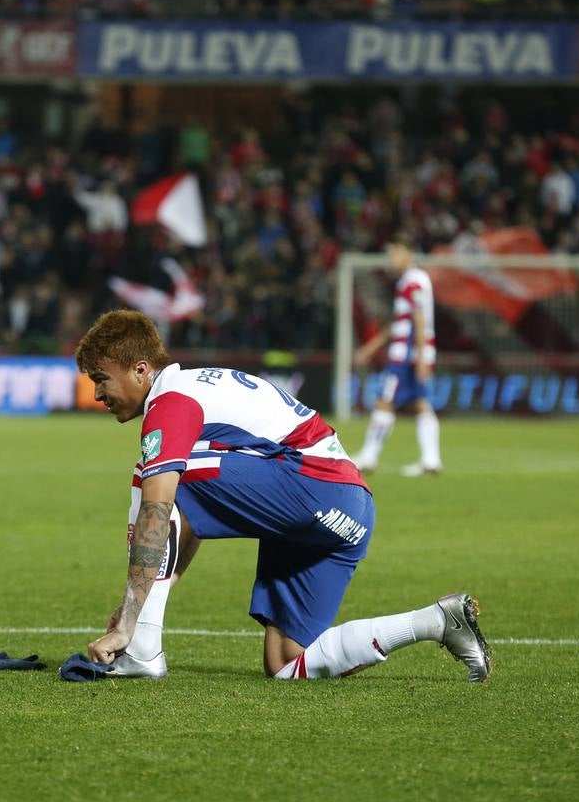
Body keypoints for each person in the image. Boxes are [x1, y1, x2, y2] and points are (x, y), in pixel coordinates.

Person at [74, 309, 490, 682]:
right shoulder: (196, 386)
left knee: (151, 478)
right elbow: (188, 518)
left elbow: (161, 506)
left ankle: (143, 651)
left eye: (101, 379)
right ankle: (436, 621)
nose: (97, 394)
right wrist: (141, 601)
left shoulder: (171, 401)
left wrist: (132, 620)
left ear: (141, 369)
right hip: (346, 509)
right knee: (286, 663)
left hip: (317, 488)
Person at [352, 240, 442, 477]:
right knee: (420, 404)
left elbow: (419, 320)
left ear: (410, 253)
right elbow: (401, 324)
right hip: (414, 353)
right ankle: (431, 460)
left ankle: (369, 456)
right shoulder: (410, 281)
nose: (391, 260)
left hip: (407, 355)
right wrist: (371, 348)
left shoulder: (414, 281)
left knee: (385, 400)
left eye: (395, 254)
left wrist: (421, 358)